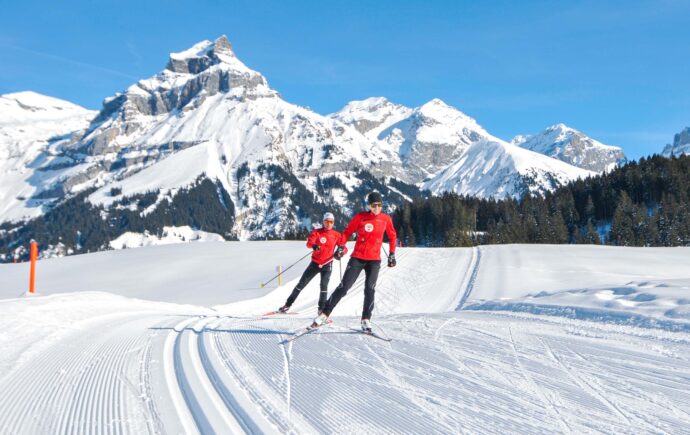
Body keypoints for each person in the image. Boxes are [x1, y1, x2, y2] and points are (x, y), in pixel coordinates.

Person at [311, 192, 397, 332]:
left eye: (380, 205)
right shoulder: (361, 217)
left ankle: (365, 319)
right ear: (369, 205)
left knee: (370, 289)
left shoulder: (385, 219)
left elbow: (393, 237)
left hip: (374, 260)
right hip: (357, 258)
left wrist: (392, 254)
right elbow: (347, 232)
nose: (377, 208)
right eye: (374, 205)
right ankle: (324, 314)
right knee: (344, 287)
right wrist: (341, 246)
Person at [278, 212, 345, 315]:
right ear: (323, 222)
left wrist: (340, 252)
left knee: (324, 286)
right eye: (326, 221)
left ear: (333, 223)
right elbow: (309, 243)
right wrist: (314, 246)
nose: (328, 224)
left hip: (327, 264)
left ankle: (321, 309)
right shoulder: (317, 232)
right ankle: (287, 305)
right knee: (301, 284)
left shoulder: (336, 235)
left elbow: (343, 247)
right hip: (315, 263)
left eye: (331, 222)